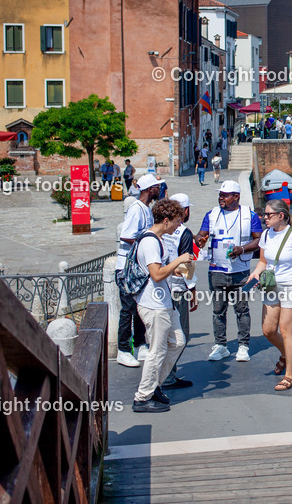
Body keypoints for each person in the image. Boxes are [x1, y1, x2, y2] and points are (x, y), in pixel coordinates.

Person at [131, 199, 194, 412]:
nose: (179, 226)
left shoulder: (157, 239)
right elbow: (156, 275)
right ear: (165, 220)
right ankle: (142, 397)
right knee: (156, 351)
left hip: (164, 302)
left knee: (177, 342)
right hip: (154, 304)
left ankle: (154, 385)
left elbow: (161, 269)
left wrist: (179, 269)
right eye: (177, 221)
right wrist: (178, 261)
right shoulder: (150, 242)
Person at [247, 199, 292, 391]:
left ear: (281, 216)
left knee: (285, 330)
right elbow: (263, 261)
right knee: (268, 330)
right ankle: (285, 354)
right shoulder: (266, 235)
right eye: (264, 215)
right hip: (271, 285)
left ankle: (289, 375)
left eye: (268, 215)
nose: (264, 218)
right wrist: (256, 272)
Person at [195, 180, 263, 362]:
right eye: (220, 195)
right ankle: (220, 345)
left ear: (236, 196)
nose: (221, 198)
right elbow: (200, 234)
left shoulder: (250, 215)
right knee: (218, 310)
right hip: (216, 271)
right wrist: (200, 239)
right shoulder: (212, 214)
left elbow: (259, 240)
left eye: (225, 195)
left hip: (242, 272)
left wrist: (242, 249)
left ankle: (243, 346)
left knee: (242, 309)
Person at [114, 174, 163, 367]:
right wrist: (147, 244)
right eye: (157, 187)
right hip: (126, 268)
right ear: (150, 189)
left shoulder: (146, 209)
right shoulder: (136, 209)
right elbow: (126, 236)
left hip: (137, 268)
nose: (159, 189)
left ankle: (141, 344)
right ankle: (123, 350)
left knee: (139, 307)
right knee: (127, 309)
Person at [161, 193, 198, 389]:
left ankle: (164, 374)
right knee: (181, 334)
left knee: (164, 334)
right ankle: (167, 377)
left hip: (160, 287)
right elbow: (186, 265)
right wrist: (193, 290)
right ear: (185, 211)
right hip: (177, 288)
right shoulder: (183, 232)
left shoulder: (160, 229)